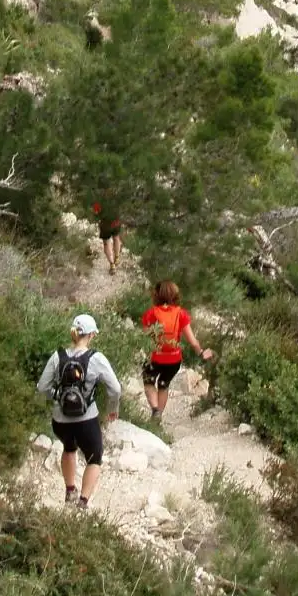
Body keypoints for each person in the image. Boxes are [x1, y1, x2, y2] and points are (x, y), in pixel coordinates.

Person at [35, 313, 120, 510]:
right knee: (94, 456)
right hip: (86, 419)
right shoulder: (96, 358)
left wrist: (57, 396)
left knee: (69, 447)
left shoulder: (58, 357)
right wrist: (112, 408)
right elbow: (115, 389)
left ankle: (69, 491)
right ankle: (82, 503)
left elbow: (42, 388)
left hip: (60, 420)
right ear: (91, 335)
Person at [139, 281, 213, 421]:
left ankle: (155, 410)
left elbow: (145, 339)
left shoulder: (150, 314)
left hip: (155, 357)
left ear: (157, 295)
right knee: (163, 384)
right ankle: (158, 417)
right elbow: (192, 341)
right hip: (173, 360)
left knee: (149, 382)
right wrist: (201, 353)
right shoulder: (181, 314)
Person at [92, 198, 123, 273]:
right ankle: (117, 258)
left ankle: (112, 266)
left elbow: (96, 212)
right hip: (116, 222)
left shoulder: (97, 196)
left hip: (105, 224)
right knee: (116, 238)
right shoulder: (115, 193)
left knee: (107, 242)